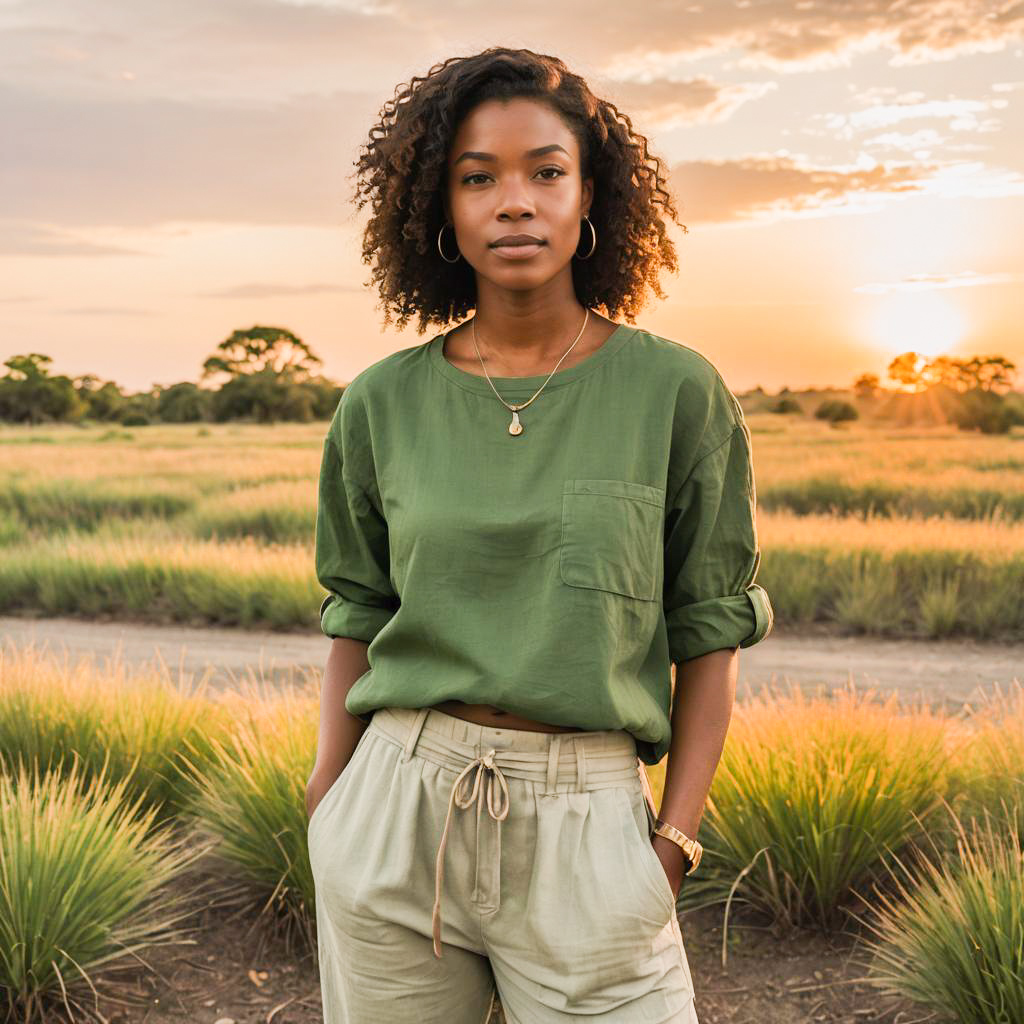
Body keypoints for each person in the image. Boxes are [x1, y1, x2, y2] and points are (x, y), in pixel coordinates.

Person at [305, 45, 774, 1024]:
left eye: (544, 172)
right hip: (397, 809)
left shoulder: (673, 391)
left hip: (591, 824)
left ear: (588, 192)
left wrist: (672, 845)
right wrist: (329, 805)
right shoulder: (380, 404)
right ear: (439, 206)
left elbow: (709, 631)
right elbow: (357, 610)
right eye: (477, 178)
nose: (513, 202)